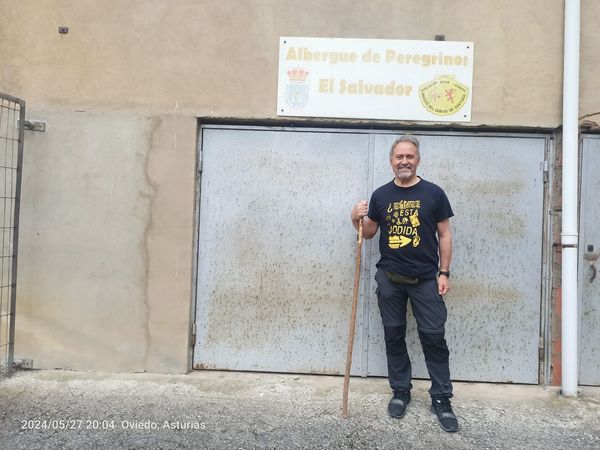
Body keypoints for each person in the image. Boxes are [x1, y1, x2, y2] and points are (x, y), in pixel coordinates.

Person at [350, 134, 458, 432]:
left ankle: (441, 398)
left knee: (433, 338)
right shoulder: (381, 195)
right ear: (391, 161)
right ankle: (400, 391)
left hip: (426, 280)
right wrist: (354, 217)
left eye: (409, 156)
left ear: (418, 160)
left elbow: (445, 234)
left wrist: (444, 272)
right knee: (394, 336)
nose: (404, 161)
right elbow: (368, 233)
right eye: (399, 156)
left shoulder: (434, 193)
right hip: (390, 280)